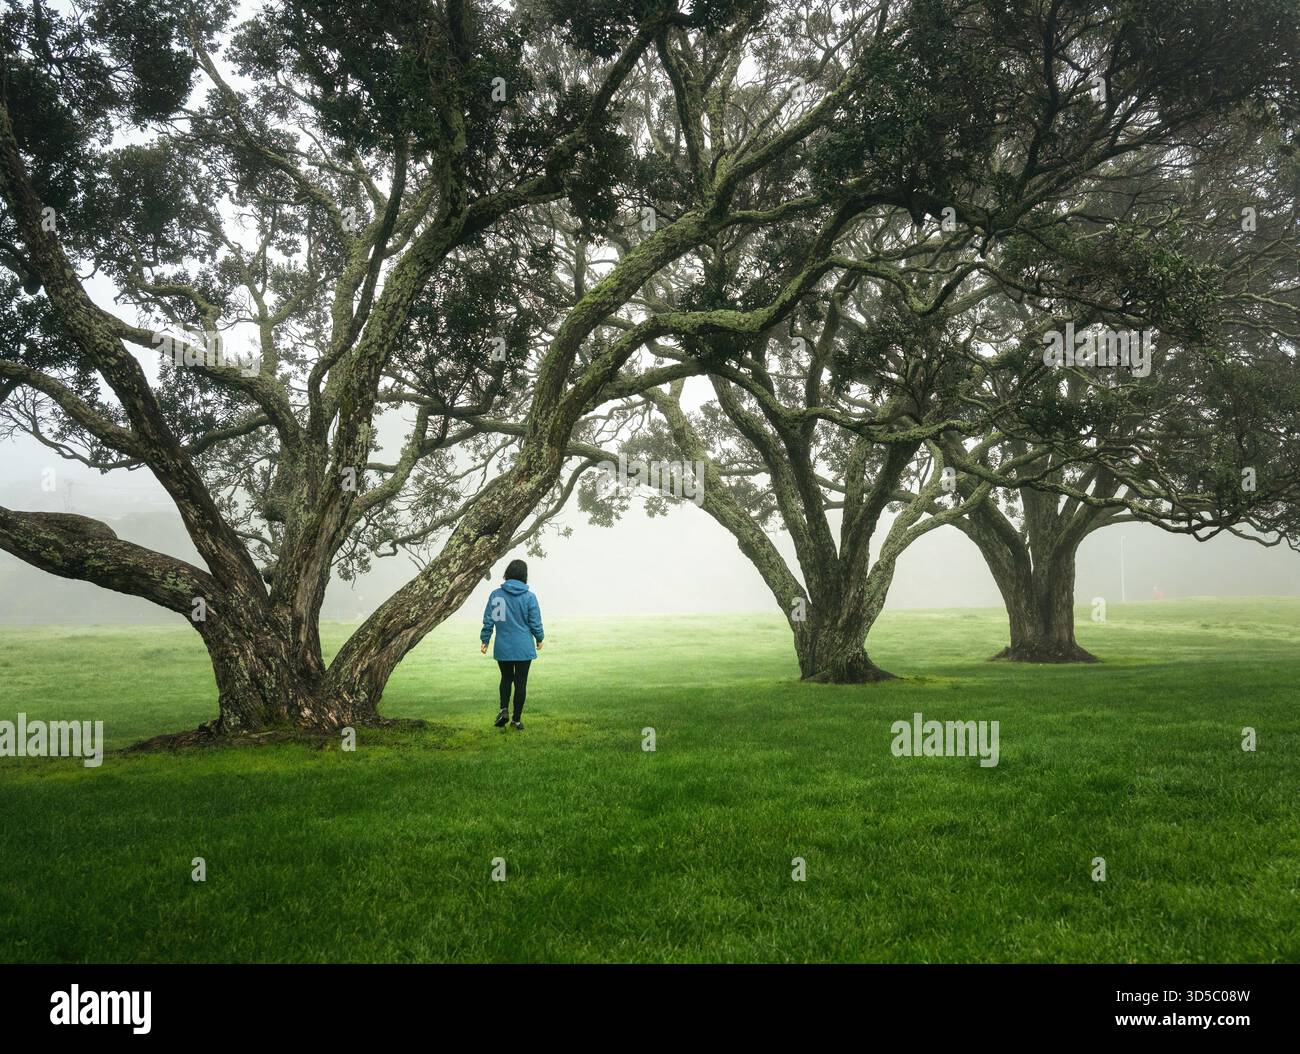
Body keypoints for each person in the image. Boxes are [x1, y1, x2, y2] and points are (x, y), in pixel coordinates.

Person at [480, 558, 544, 730]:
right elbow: (535, 622)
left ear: (507, 573)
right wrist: (539, 638)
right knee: (521, 683)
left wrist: (485, 640)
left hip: (503, 646)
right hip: (523, 647)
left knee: (506, 678)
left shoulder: (496, 595)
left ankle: (503, 710)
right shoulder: (530, 597)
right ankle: (516, 720)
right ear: (524, 575)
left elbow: (489, 620)